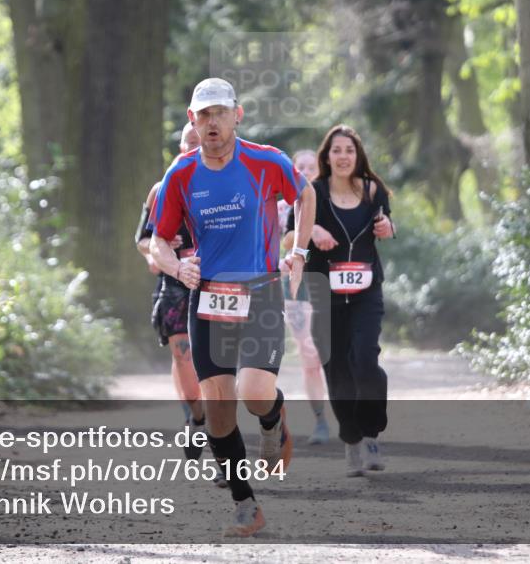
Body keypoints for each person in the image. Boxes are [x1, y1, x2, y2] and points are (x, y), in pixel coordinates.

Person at [148, 78, 315, 537]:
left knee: (254, 391)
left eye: (219, 112)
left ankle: (272, 417)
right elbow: (158, 239)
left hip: (260, 289)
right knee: (218, 407)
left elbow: (305, 195)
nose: (212, 122)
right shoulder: (179, 176)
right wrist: (177, 268)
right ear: (192, 121)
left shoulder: (265, 161)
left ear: (237, 115)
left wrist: (298, 252)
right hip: (207, 298)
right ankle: (246, 505)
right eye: (203, 115)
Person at [294, 125, 395, 477]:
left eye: (349, 150)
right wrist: (313, 231)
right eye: (336, 150)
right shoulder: (313, 192)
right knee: (336, 368)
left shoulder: (371, 189)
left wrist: (387, 228)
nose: (342, 156)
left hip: (366, 290)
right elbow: (292, 232)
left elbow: (386, 223)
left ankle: (370, 433)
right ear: (327, 156)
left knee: (365, 359)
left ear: (358, 155)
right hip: (325, 290)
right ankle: (351, 440)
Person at [136, 123, 220, 474]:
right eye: (188, 142)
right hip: (174, 282)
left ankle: (220, 441)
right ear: (180, 145)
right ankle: (197, 418)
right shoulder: (163, 187)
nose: (192, 148)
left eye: (198, 143)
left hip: (215, 282)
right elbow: (142, 239)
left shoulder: (223, 185)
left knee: (216, 366)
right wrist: (158, 252)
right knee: (183, 355)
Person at [278, 150, 330, 445]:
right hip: (297, 286)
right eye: (301, 167)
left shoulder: (331, 199)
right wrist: (312, 231)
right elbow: (286, 241)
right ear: (293, 170)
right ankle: (320, 420)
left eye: (312, 167)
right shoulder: (287, 203)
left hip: (330, 284)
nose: (307, 171)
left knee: (334, 354)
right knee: (309, 354)